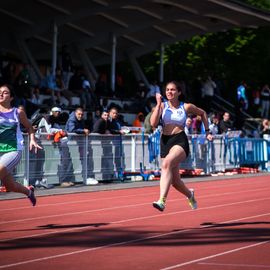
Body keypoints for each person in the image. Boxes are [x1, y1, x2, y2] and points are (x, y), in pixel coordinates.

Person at [150, 81, 213, 211]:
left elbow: (202, 113)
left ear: (179, 92)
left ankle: (162, 201)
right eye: (167, 90)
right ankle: (190, 195)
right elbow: (153, 123)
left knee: (166, 164)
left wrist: (207, 132)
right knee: (175, 182)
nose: (169, 92)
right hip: (165, 142)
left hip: (179, 140)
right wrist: (157, 105)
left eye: (173, 90)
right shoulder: (162, 106)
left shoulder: (186, 107)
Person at [0, 84, 42, 206]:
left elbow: (29, 127)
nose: (1, 94)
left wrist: (32, 139)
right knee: (11, 186)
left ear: (11, 97)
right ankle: (29, 192)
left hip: (13, 150)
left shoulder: (17, 113)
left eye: (5, 92)